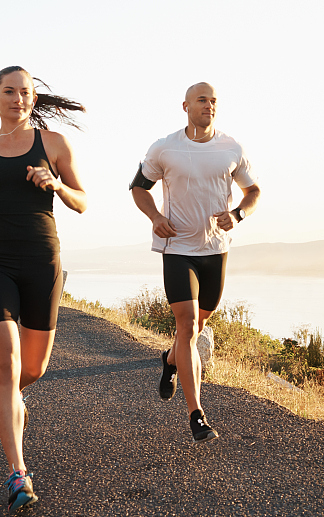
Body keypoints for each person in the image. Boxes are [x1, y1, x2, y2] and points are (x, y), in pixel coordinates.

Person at [0, 66, 87, 512]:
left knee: (33, 368)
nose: (17, 98)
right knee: (5, 363)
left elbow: (83, 200)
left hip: (41, 260)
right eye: (8, 92)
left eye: (25, 92)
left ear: (33, 98)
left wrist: (58, 185)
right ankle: (18, 473)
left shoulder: (53, 144)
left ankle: (10, 401)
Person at [130, 82, 260, 444]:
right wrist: (155, 217)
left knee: (198, 326)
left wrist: (238, 214)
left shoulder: (231, 147)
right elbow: (138, 187)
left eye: (214, 101)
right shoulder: (165, 147)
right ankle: (196, 415)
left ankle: (170, 361)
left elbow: (253, 192)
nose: (210, 105)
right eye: (203, 100)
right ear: (185, 105)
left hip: (215, 250)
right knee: (185, 325)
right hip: (177, 248)